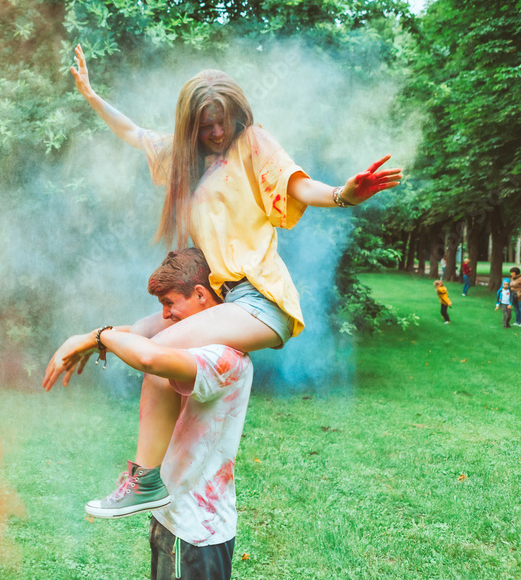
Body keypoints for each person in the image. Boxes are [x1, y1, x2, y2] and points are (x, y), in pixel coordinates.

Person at [61, 47, 402, 515]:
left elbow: (296, 184)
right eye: (206, 124)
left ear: (238, 116)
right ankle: (95, 357)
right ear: (190, 127)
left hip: (259, 300)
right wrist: (91, 94)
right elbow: (132, 132)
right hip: (224, 301)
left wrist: (343, 194)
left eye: (224, 121)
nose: (217, 132)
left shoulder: (252, 143)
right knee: (143, 332)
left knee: (159, 358)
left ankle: (144, 481)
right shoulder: (183, 159)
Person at [44, 248, 250, 580]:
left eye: (170, 303)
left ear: (200, 294)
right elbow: (141, 334)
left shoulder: (224, 356)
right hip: (171, 515)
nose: (166, 315)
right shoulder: (193, 340)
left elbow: (151, 359)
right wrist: (87, 341)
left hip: (197, 532)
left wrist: (98, 337)